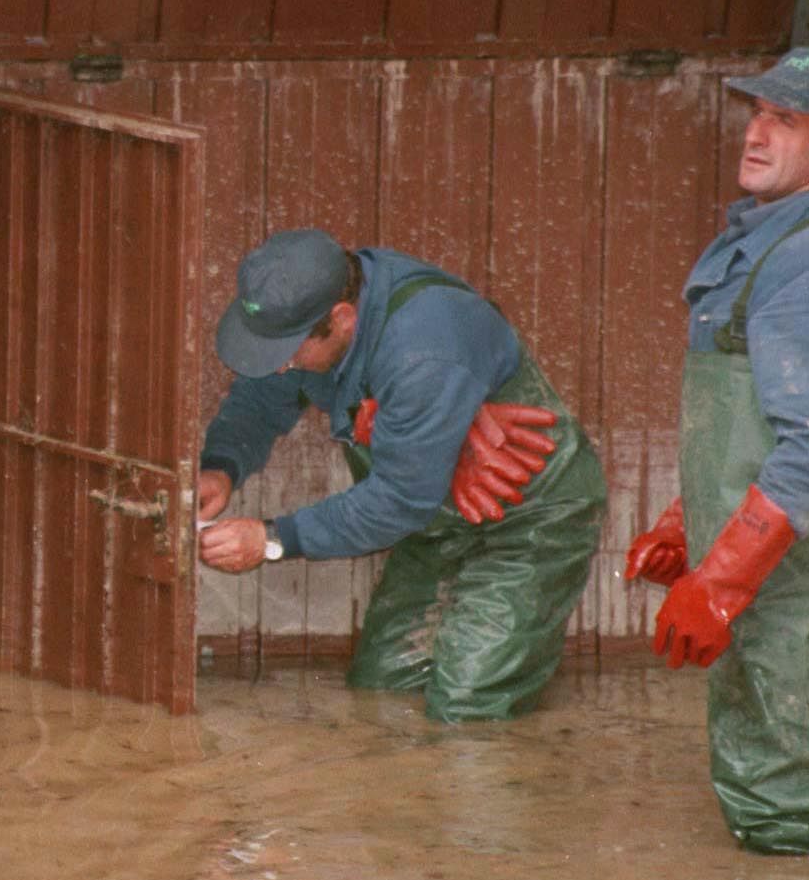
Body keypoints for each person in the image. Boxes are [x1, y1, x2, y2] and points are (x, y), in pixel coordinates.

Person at [196, 228, 606, 722]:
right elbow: (262, 396)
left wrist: (271, 540)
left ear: (342, 319)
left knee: (466, 708)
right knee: (382, 688)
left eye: (287, 351)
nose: (279, 367)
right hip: (438, 525)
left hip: (528, 525)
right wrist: (221, 467)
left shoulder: (422, 350)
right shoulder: (319, 308)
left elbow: (397, 501)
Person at [622, 47, 809, 855]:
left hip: (785, 595)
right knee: (767, 813)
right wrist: (687, 519)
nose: (756, 133)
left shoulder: (801, 263)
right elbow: (750, 421)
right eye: (757, 112)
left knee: (785, 818)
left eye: (787, 119)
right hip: (759, 586)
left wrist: (721, 579)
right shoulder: (757, 243)